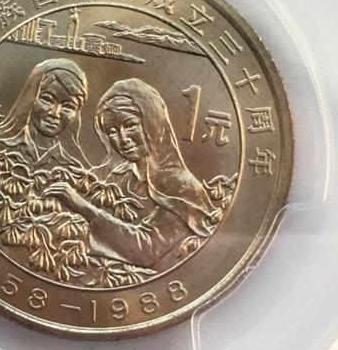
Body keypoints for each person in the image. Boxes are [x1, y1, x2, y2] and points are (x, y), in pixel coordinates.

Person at [46, 78, 219, 270]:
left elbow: (146, 249)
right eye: (112, 131)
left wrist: (81, 206)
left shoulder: (183, 187)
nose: (122, 139)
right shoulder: (118, 176)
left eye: (129, 126)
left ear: (152, 123)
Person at [0, 57, 89, 170]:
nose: (55, 113)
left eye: (68, 107)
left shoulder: (75, 170)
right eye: (47, 100)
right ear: (30, 97)